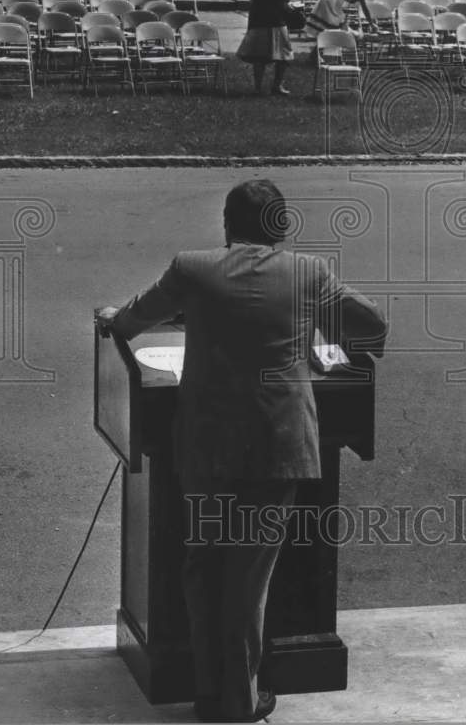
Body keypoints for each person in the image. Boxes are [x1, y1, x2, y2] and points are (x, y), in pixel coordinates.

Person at [96, 179, 387, 724]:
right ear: (281, 227)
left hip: (208, 451)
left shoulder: (193, 268)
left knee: (204, 567)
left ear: (227, 225)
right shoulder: (308, 273)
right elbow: (371, 324)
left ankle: (209, 689)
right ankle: (237, 701)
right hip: (277, 450)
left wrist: (119, 317)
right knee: (248, 578)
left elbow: (132, 319)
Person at [236, 0, 296, 95]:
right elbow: (283, 5)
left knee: (259, 58)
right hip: (276, 22)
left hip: (258, 21)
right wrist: (292, 12)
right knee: (284, 56)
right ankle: (277, 85)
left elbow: (253, 0)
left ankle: (258, 87)